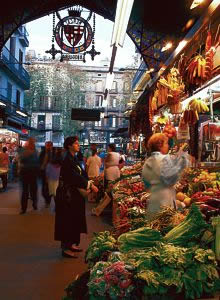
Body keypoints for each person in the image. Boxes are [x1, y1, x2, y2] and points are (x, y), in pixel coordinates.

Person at [54, 136, 98, 258]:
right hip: (67, 195)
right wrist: (88, 184)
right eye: (76, 143)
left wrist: (90, 181)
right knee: (67, 221)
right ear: (69, 145)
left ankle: (72, 243)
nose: (78, 145)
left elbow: (81, 173)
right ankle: (66, 248)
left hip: (74, 196)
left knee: (74, 220)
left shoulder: (73, 158)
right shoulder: (67, 159)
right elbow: (73, 176)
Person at [142, 133, 189, 217]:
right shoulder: (165, 159)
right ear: (160, 145)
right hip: (165, 198)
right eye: (166, 143)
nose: (168, 146)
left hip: (153, 199)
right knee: (165, 223)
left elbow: (146, 185)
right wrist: (182, 162)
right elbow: (171, 180)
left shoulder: (147, 162)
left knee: (154, 224)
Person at [19, 138, 39, 214]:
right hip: (26, 174)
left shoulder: (35, 152)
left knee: (32, 191)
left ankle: (34, 204)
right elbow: (21, 160)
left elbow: (37, 163)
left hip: (31, 173)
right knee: (26, 191)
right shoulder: (25, 151)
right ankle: (24, 208)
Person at [39, 141, 54, 207]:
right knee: (43, 188)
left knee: (49, 188)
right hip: (43, 172)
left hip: (51, 173)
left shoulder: (54, 153)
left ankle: (48, 201)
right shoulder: (42, 153)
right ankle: (46, 198)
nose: (47, 147)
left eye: (49, 146)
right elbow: (39, 162)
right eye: (46, 145)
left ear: (51, 146)